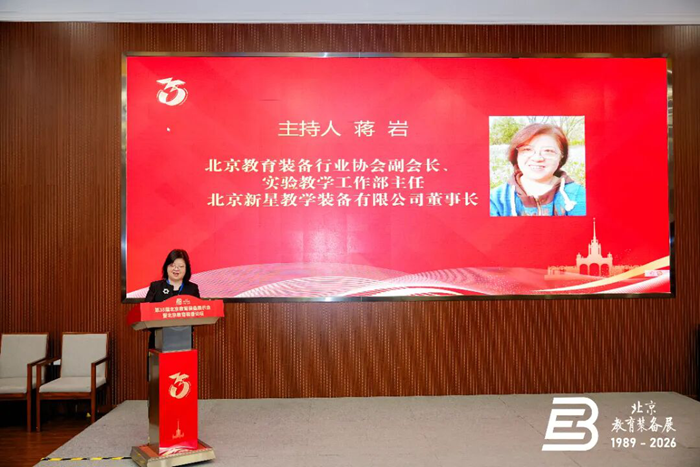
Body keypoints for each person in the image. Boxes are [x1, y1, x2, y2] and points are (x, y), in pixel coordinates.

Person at [490, 123, 586, 216]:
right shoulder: (496, 200)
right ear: (516, 155)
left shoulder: (578, 195)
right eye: (527, 149)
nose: (537, 158)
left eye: (548, 151)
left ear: (561, 157)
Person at [143, 249, 200, 370]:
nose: (176, 269)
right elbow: (145, 312)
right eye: (172, 265)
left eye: (181, 266)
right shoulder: (156, 287)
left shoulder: (192, 289)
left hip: (183, 341)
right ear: (166, 267)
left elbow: (198, 315)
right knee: (158, 375)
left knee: (182, 374)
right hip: (158, 341)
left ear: (186, 269)